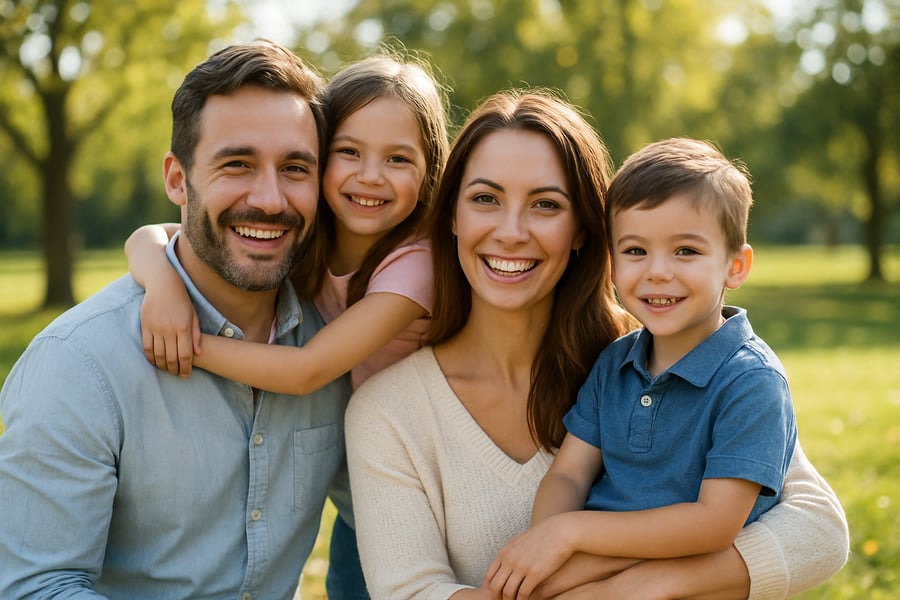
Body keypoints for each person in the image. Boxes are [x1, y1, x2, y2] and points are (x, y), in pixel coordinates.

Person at [345, 90, 849, 599]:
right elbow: (410, 593)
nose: (512, 231)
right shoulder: (392, 411)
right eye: (485, 199)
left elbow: (818, 529)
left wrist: (635, 587)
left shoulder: (661, 351)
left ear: (585, 230)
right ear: (452, 216)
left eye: (545, 204)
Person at [0, 41, 353, 599]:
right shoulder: (77, 365)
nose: (269, 198)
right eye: (237, 164)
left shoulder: (338, 346)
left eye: (294, 168)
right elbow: (36, 587)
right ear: (176, 179)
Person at [124, 52, 450, 599]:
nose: (370, 176)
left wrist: (188, 342)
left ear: (430, 170)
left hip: (432, 494)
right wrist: (162, 285)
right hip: (360, 496)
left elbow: (307, 370)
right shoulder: (302, 236)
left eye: (398, 159)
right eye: (349, 152)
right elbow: (152, 234)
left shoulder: (416, 265)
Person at [485, 137, 799, 599]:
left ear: (735, 266)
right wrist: (547, 541)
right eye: (635, 251)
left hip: (687, 579)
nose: (657, 272)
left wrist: (572, 534)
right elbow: (570, 473)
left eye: (686, 251)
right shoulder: (615, 362)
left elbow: (713, 524)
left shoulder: (750, 382)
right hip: (595, 559)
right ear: (611, 262)